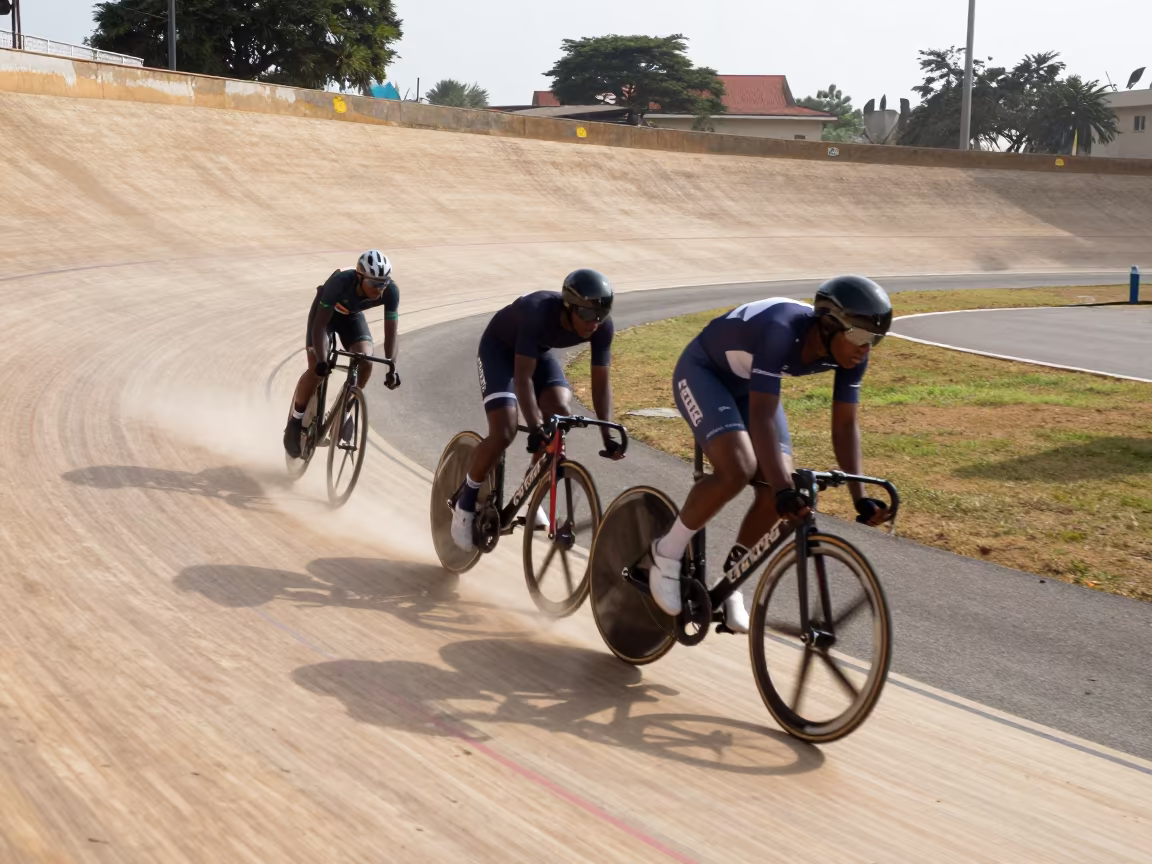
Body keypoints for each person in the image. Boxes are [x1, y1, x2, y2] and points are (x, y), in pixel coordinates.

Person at [647, 275, 894, 633]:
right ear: (827, 326)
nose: (865, 348)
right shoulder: (781, 330)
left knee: (780, 487)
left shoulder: (853, 356)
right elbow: (762, 416)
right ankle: (666, 553)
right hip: (703, 372)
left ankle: (732, 579)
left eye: (876, 339)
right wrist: (783, 489)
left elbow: (844, 427)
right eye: (859, 336)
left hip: (751, 385)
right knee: (739, 469)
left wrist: (860, 498)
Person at [451, 268, 625, 551]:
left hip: (537, 352)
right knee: (504, 430)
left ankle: (531, 493)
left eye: (601, 315)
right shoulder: (538, 313)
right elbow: (522, 380)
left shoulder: (601, 326)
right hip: (499, 351)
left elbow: (601, 384)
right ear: (569, 307)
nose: (594, 323)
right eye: (587, 315)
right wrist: (534, 429)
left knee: (560, 412)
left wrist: (607, 434)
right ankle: (466, 501)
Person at [283, 250, 401, 459]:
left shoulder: (391, 291)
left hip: (350, 317)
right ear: (359, 277)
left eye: (383, 283)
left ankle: (343, 411)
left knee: (366, 360)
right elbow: (319, 326)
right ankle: (295, 420)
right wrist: (320, 360)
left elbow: (391, 332)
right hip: (324, 317)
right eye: (374, 283)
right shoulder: (339, 282)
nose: (380, 289)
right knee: (318, 370)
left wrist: (392, 365)